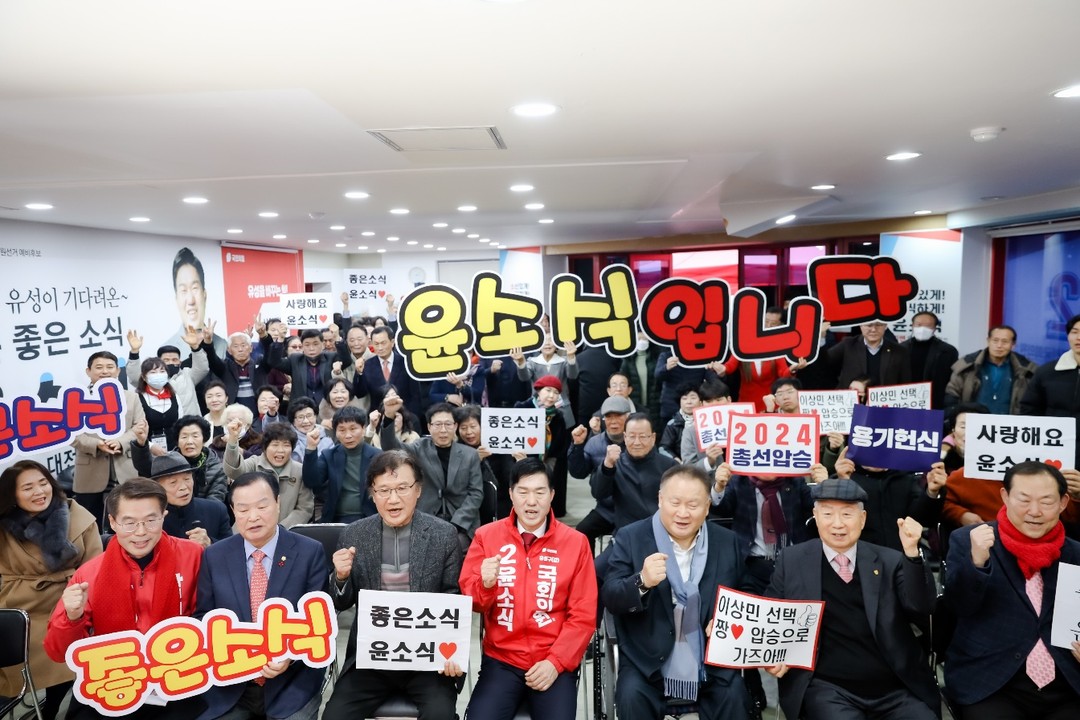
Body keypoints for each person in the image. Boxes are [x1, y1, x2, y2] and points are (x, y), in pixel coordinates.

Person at [765, 478, 940, 720]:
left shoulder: (890, 560)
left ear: (863, 519)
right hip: (827, 687)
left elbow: (922, 607)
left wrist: (911, 553)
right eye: (828, 514)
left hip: (894, 685)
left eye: (847, 514)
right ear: (815, 516)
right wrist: (774, 654)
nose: (837, 524)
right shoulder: (792, 560)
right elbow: (771, 615)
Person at [45, 479, 204, 720]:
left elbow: (207, 616)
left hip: (177, 677)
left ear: (164, 516)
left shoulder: (192, 555)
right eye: (129, 523)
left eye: (151, 520)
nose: (140, 532)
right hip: (114, 680)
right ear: (112, 522)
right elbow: (59, 653)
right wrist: (71, 617)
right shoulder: (89, 574)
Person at [602, 464, 751, 720]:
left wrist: (728, 618)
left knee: (736, 696)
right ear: (660, 499)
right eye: (675, 503)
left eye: (693, 505)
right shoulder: (631, 537)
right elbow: (611, 596)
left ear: (707, 507)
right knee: (630, 697)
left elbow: (745, 589)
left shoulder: (727, 542)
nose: (683, 513)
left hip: (709, 662)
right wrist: (642, 581)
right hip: (646, 660)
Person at [323, 450, 464, 720]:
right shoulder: (354, 534)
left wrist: (452, 654)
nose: (393, 499)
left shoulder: (443, 534)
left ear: (418, 490)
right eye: (384, 490)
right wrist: (340, 577)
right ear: (372, 494)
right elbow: (341, 602)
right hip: (372, 657)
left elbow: (452, 598)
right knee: (334, 716)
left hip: (426, 658)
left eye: (402, 488)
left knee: (441, 715)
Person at [460, 458, 597, 719]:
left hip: (553, 661)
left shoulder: (576, 543)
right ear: (511, 494)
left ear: (552, 495)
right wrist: (485, 584)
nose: (531, 502)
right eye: (523, 492)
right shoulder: (486, 536)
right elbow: (472, 603)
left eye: (540, 492)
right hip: (501, 660)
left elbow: (583, 615)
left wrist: (555, 662)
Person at [945, 461, 1080, 717]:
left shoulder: (1075, 553)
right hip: (991, 680)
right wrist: (977, 563)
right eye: (1024, 500)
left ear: (1063, 503)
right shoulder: (971, 540)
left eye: (1047, 501)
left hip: (1066, 682)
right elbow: (958, 607)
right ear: (1005, 497)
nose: (1035, 511)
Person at [195, 471, 328, 720]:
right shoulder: (215, 556)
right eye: (243, 509)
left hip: (291, 682)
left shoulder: (309, 552)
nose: (253, 517)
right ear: (233, 511)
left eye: (262, 506)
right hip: (231, 683)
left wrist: (290, 655)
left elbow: (316, 621)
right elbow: (204, 616)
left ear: (277, 503)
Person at [0, 460, 102, 720]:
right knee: (21, 651)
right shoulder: (3, 527)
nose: (39, 492)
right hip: (25, 606)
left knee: (69, 653)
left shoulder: (78, 516)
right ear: (12, 495)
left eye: (43, 483)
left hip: (73, 601)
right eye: (28, 488)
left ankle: (55, 708)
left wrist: (78, 597)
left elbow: (95, 569)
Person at [380, 396, 483, 550]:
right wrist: (389, 416)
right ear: (429, 427)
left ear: (455, 426)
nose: (443, 430)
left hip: (461, 522)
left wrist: (458, 523)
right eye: (438, 424)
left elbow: (476, 493)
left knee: (457, 545)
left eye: (448, 424)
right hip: (426, 518)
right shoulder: (418, 448)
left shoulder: (470, 454)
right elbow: (391, 448)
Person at [72, 351, 147, 525]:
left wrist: (120, 441)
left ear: (118, 371)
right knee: (88, 523)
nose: (105, 371)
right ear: (88, 371)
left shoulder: (131, 397)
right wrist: (96, 444)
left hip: (126, 468)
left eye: (110, 367)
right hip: (90, 472)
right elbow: (71, 434)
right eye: (99, 367)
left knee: (128, 519)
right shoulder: (77, 399)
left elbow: (140, 426)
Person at [833, 447, 947, 554]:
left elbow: (923, 520)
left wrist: (932, 492)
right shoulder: (846, 478)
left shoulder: (906, 478)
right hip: (859, 557)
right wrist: (843, 483)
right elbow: (836, 522)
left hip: (900, 556)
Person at [592, 412, 678, 529]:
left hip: (661, 529)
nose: (637, 442)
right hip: (626, 532)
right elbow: (598, 493)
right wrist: (607, 465)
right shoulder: (615, 464)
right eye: (632, 436)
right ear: (625, 437)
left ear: (653, 438)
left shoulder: (670, 466)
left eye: (642, 437)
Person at [568, 395, 633, 548]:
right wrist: (577, 445)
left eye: (618, 416)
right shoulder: (594, 443)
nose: (613, 421)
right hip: (606, 510)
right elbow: (578, 472)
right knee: (582, 532)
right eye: (609, 417)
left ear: (628, 417)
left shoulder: (637, 441)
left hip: (633, 509)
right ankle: (589, 564)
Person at [224, 420, 314, 528]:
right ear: (265, 448)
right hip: (249, 530)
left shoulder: (300, 470)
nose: (280, 450)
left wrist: (281, 529)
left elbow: (304, 509)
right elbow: (233, 471)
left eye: (286, 445)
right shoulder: (254, 464)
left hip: (286, 532)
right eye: (275, 445)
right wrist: (232, 440)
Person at [1020, 313, 1080, 468]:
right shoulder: (1047, 372)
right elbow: (1029, 409)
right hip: (1052, 449)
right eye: (1074, 332)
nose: (1078, 337)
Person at [301, 406, 380, 523]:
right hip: (335, 518)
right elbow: (311, 481)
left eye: (353, 429)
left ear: (363, 429)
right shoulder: (329, 455)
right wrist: (311, 448)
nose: (348, 435)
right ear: (335, 432)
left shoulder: (377, 456)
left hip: (370, 517)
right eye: (342, 430)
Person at [125, 326, 209, 430]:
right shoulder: (153, 379)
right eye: (166, 360)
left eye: (174, 360)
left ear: (180, 362)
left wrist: (195, 347)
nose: (170, 363)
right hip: (163, 431)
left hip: (191, 427)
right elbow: (134, 377)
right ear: (159, 361)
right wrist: (134, 352)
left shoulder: (188, 374)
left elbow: (202, 367)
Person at [132, 415, 228, 502]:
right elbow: (145, 467)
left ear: (204, 439)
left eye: (195, 436)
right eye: (184, 437)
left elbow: (216, 502)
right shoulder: (167, 462)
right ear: (177, 441)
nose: (189, 441)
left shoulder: (217, 469)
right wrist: (141, 443)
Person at [946, 325, 1037, 414]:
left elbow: (1033, 403)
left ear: (1013, 345)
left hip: (1010, 422)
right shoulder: (967, 365)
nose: (999, 345)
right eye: (995, 340)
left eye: (1005, 342)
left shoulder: (1027, 370)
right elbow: (952, 395)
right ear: (988, 341)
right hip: (973, 420)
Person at [149, 451, 231, 547]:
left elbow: (232, 549)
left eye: (187, 479)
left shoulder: (216, 510)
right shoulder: (149, 519)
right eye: (173, 482)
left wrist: (210, 543)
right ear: (158, 487)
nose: (183, 487)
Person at [455, 403, 519, 521]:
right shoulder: (456, 450)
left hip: (500, 503)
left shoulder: (499, 445)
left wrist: (520, 463)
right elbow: (457, 484)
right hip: (469, 507)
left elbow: (509, 479)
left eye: (473, 426)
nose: (469, 432)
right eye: (463, 428)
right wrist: (474, 460)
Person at [162, 247, 228, 360]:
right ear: (176, 299)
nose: (191, 300)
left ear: (204, 294)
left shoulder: (222, 345)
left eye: (195, 288)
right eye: (183, 290)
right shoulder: (167, 349)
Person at [267, 321, 354, 406]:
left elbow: (346, 360)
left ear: (322, 345)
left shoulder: (330, 357)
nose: (311, 348)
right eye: (307, 345)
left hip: (326, 407)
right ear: (302, 346)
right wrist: (280, 338)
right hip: (300, 408)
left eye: (315, 344)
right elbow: (274, 362)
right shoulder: (295, 360)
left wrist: (337, 337)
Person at [352, 326, 424, 423]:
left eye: (383, 343)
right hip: (379, 419)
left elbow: (415, 395)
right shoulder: (368, 365)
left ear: (392, 342)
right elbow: (360, 393)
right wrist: (359, 373)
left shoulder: (406, 362)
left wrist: (412, 418)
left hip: (405, 417)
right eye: (376, 344)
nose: (380, 348)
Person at [512, 338, 579, 426]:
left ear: (557, 345)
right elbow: (524, 377)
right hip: (537, 408)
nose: (547, 343)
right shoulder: (532, 361)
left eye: (551, 340)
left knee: (561, 433)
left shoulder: (564, 360)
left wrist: (571, 357)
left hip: (561, 408)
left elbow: (573, 375)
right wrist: (521, 363)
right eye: (544, 340)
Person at [827, 321, 911, 389]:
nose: (873, 329)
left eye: (878, 325)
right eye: (869, 325)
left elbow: (905, 383)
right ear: (861, 326)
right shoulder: (848, 344)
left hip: (885, 402)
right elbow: (825, 362)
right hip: (852, 401)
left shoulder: (899, 351)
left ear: (885, 326)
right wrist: (822, 339)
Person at [900, 311, 958, 409]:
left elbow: (952, 380)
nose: (922, 329)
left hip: (935, 403)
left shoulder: (948, 351)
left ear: (935, 328)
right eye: (919, 325)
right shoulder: (900, 349)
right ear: (912, 326)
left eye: (928, 326)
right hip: (905, 401)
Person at [205, 330, 271, 413]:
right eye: (235, 346)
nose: (240, 349)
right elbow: (212, 359)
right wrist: (208, 343)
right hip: (232, 414)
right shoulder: (224, 367)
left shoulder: (260, 365)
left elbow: (270, 353)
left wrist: (263, 335)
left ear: (251, 348)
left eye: (243, 345)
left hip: (259, 414)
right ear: (229, 350)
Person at [620, 330, 663, 431]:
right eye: (639, 339)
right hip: (635, 403)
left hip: (654, 403)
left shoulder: (656, 358)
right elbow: (623, 379)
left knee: (654, 430)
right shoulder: (628, 360)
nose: (642, 341)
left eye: (644, 339)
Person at [658, 383, 701, 461]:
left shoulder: (707, 421)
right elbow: (663, 448)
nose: (689, 402)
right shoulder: (673, 424)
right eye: (684, 398)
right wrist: (675, 460)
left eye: (693, 398)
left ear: (701, 401)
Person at [288, 397, 334, 463]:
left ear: (315, 416)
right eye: (300, 417)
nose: (306, 421)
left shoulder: (327, 442)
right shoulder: (287, 440)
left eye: (309, 416)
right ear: (293, 422)